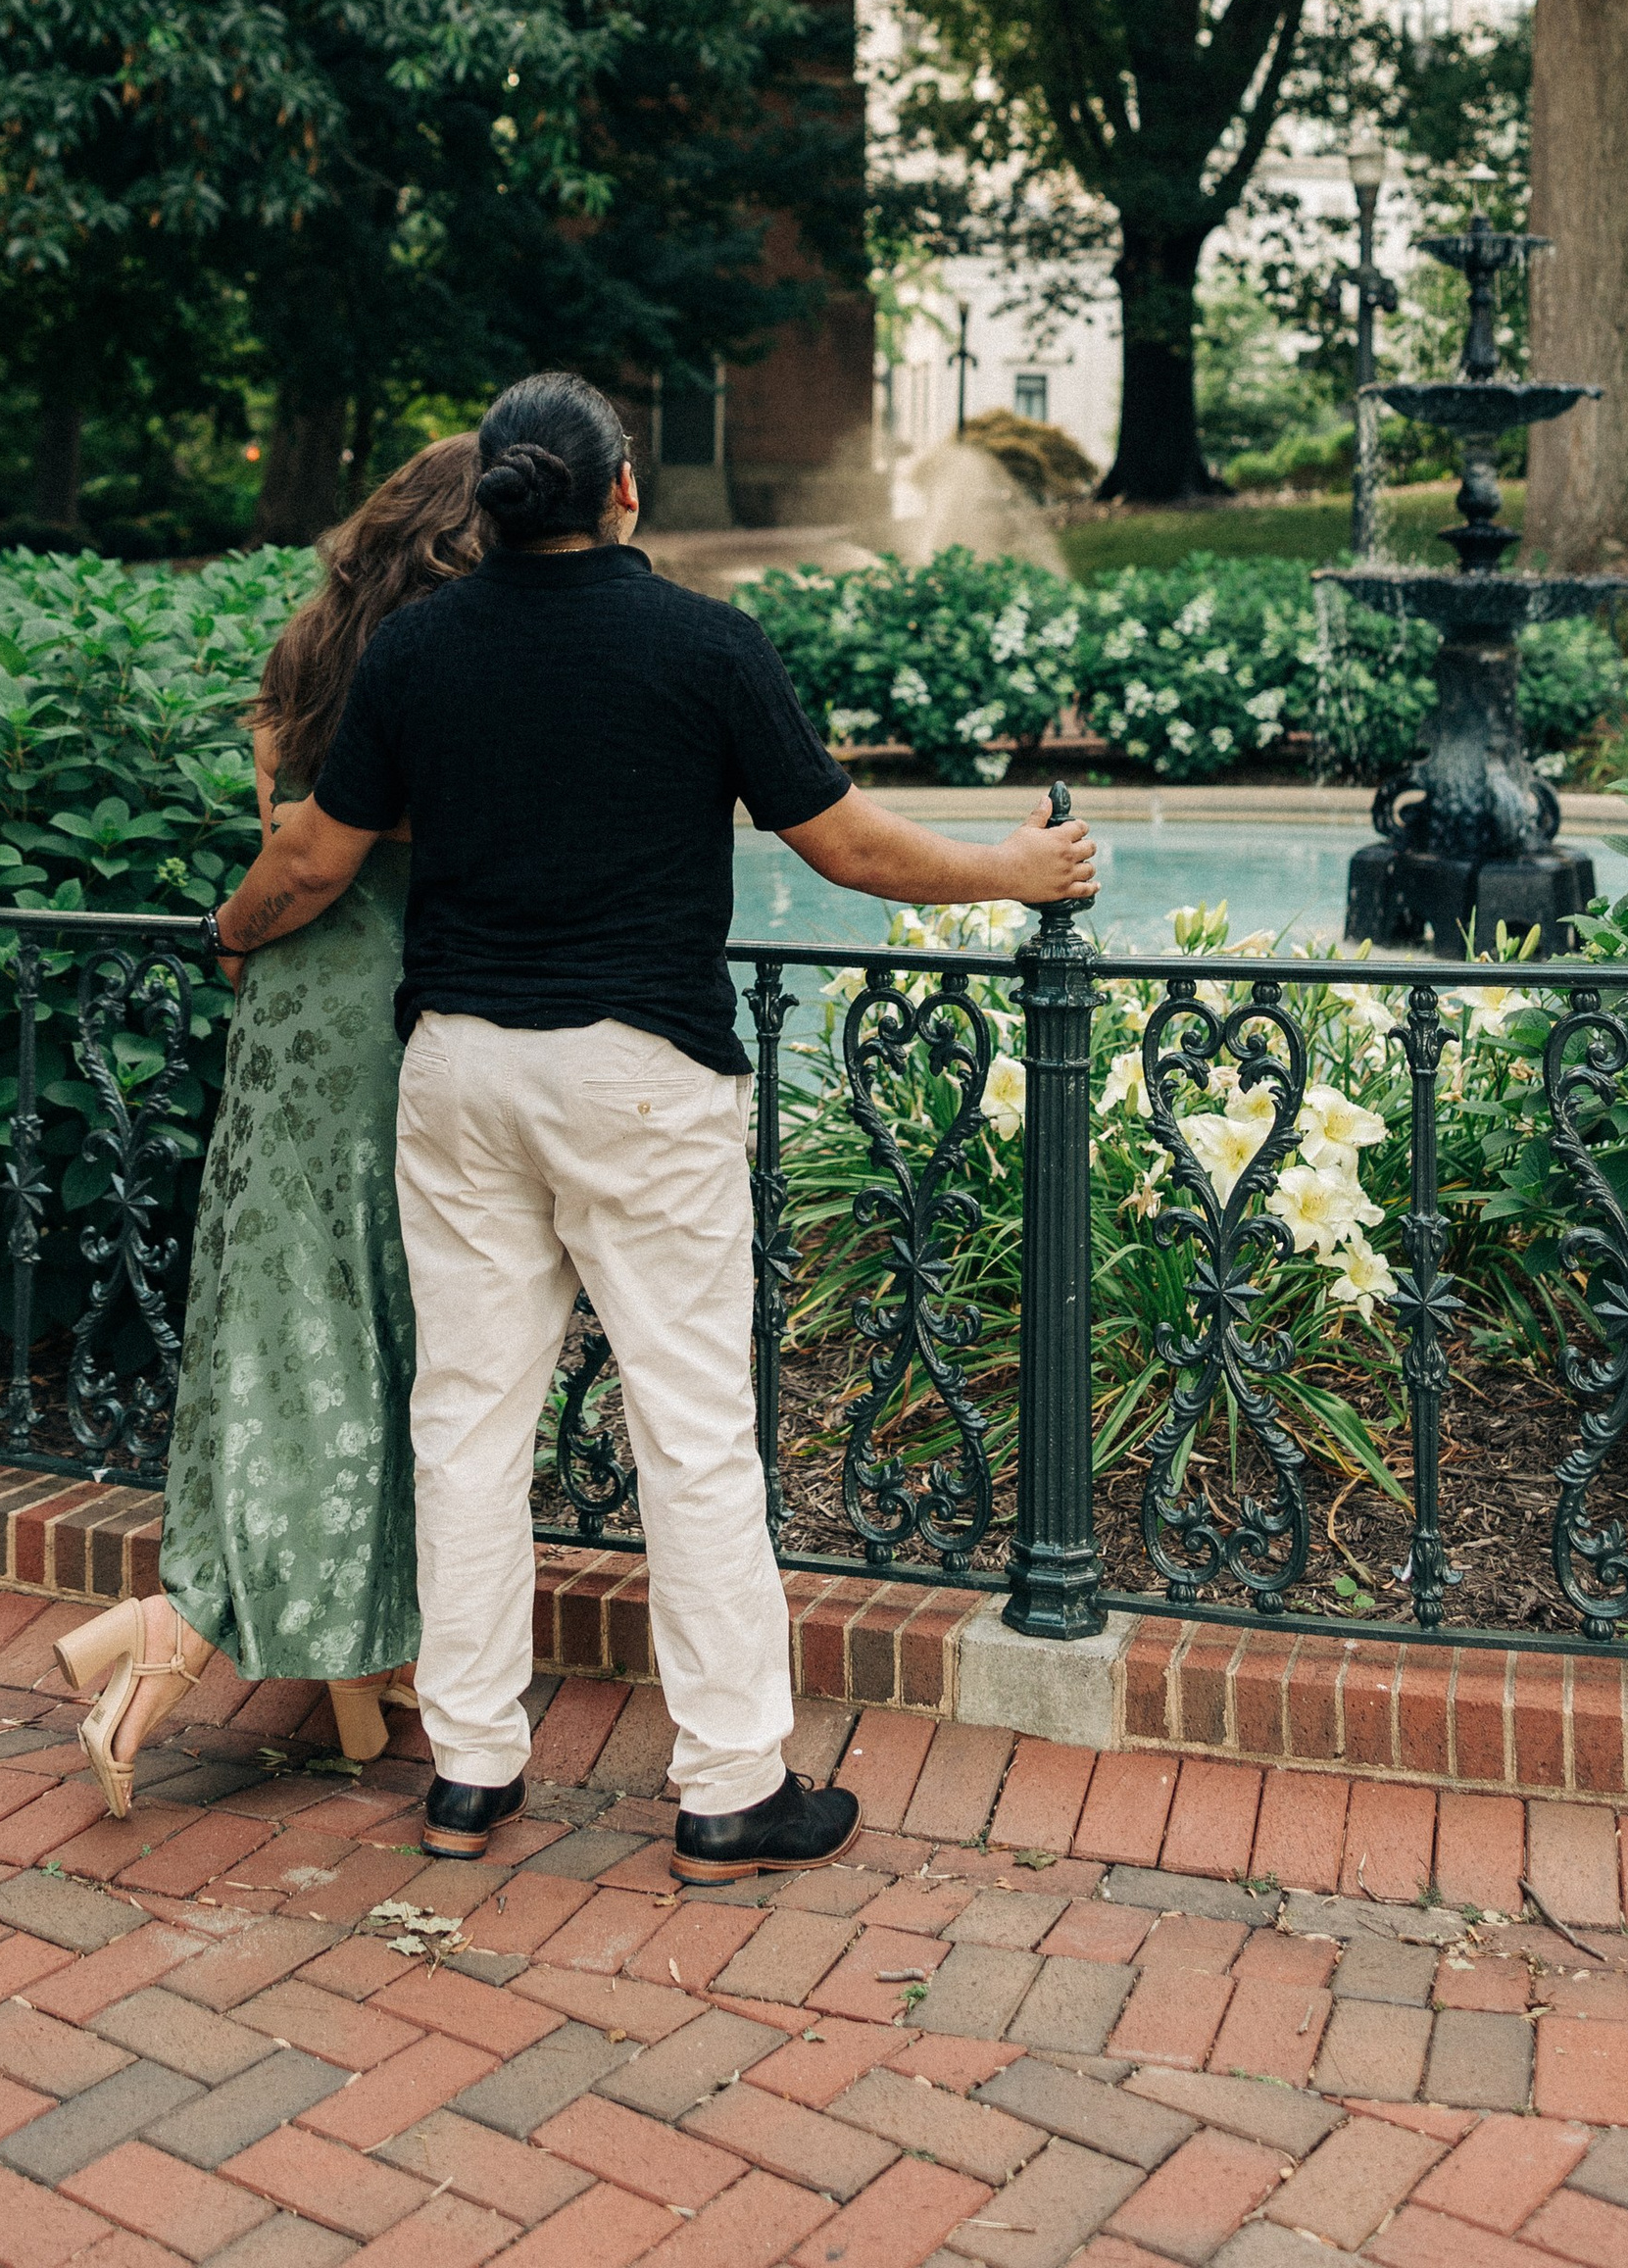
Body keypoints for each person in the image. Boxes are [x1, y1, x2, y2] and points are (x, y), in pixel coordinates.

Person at [208, 370, 1097, 1886]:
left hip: (464, 1069)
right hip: (638, 1075)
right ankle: (731, 1790)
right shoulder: (705, 644)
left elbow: (313, 859)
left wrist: (228, 934)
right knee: (689, 1431)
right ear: (624, 489)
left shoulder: (416, 650)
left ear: (495, 496)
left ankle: (471, 1775)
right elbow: (845, 847)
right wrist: (1013, 869)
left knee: (465, 1426)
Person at [51, 436, 483, 1814]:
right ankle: (177, 1631)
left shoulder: (312, 658)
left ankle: (364, 1663)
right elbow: (322, 859)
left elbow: (280, 839)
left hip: (291, 1021)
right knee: (364, 1335)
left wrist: (234, 938)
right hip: (388, 1026)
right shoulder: (447, 670)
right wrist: (238, 923)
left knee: (300, 1318)